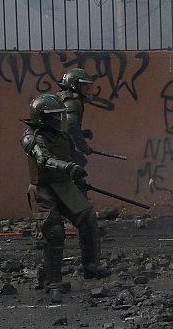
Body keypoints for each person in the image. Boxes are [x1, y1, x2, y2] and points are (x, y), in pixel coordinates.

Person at [21, 94, 111, 304]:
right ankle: (53, 283)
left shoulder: (61, 134)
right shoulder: (32, 137)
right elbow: (45, 160)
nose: (58, 119)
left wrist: (80, 175)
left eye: (58, 115)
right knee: (54, 232)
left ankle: (91, 266)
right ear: (43, 118)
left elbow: (72, 155)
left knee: (87, 218)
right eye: (53, 116)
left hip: (64, 185)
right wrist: (69, 168)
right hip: (43, 190)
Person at [56, 68, 95, 168]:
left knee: (79, 162)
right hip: (57, 146)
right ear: (75, 84)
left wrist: (82, 134)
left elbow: (64, 127)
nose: (87, 89)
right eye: (84, 86)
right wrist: (84, 147)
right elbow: (71, 124)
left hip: (59, 142)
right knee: (75, 169)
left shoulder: (65, 97)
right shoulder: (71, 100)